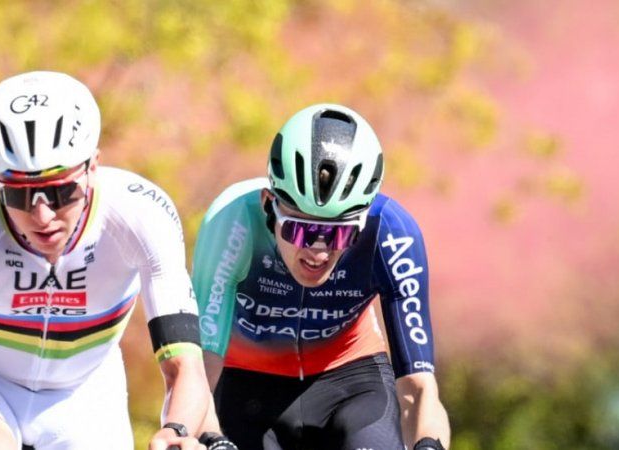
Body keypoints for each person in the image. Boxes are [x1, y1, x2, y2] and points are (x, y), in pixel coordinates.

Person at [0, 71, 215, 450]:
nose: (42, 216)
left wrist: (177, 431)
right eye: (19, 194)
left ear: (93, 166)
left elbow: (185, 366)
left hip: (85, 390)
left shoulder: (142, 216)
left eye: (60, 192)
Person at [191, 104, 451, 450]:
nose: (318, 252)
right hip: (248, 388)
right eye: (299, 230)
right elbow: (200, 367)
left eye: (340, 234)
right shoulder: (233, 221)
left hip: (351, 381)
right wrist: (209, 436)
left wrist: (429, 445)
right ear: (269, 205)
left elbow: (419, 390)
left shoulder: (391, 231)